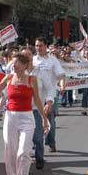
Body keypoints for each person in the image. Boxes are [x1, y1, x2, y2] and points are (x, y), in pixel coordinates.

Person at [0, 53, 48, 175]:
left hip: (27, 117)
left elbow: (38, 101)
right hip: (10, 117)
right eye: (12, 63)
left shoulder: (32, 79)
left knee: (23, 151)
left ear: (24, 66)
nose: (13, 65)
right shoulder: (9, 78)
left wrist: (44, 118)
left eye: (16, 63)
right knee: (10, 150)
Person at [32, 38, 65, 167]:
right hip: (37, 97)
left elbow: (61, 74)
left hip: (50, 95)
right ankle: (37, 148)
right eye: (36, 46)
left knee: (50, 120)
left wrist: (62, 85)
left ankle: (51, 141)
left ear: (46, 46)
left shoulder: (52, 60)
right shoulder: (32, 60)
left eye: (41, 45)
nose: (38, 48)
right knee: (36, 123)